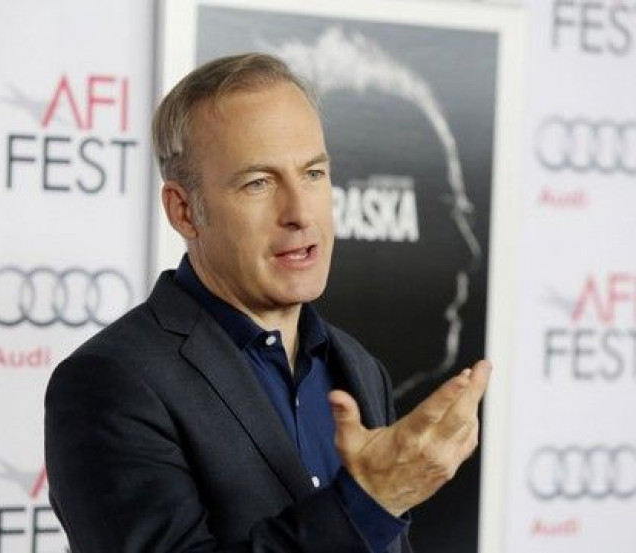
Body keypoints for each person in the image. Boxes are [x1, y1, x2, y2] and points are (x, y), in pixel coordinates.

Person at [44, 53, 491, 553]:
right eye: (258, 183)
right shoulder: (111, 382)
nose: (300, 212)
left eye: (314, 174)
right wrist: (369, 503)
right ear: (185, 210)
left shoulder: (361, 371)